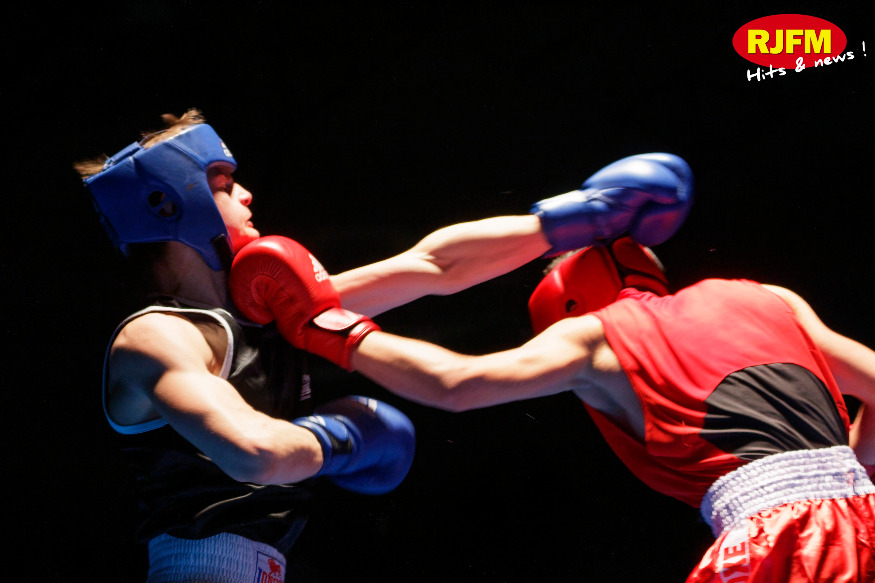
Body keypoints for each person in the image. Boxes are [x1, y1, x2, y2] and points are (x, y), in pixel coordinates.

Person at [75, 108, 691, 582]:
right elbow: (255, 453)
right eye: (224, 183)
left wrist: (580, 217)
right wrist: (340, 436)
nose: (247, 195)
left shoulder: (264, 312)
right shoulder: (155, 336)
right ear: (169, 202)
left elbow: (433, 266)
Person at [228, 185, 875, 581]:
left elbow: (455, 382)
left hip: (780, 539)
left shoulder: (593, 335)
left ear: (564, 301)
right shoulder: (768, 297)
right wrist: (841, 467)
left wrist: (331, 330)